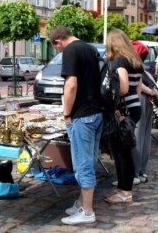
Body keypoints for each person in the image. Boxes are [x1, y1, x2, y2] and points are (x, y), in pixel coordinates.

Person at [49, 25, 103, 225]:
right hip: (96, 113)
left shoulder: (70, 50)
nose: (59, 51)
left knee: (82, 165)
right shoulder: (89, 48)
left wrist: (66, 113)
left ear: (58, 41)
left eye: (57, 48)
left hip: (83, 115)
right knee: (88, 161)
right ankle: (82, 203)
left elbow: (71, 85)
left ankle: (87, 212)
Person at [104, 29, 143, 204]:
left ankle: (125, 192)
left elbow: (124, 88)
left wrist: (109, 95)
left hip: (124, 109)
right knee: (125, 149)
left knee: (122, 152)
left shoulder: (121, 60)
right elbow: (139, 89)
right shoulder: (135, 61)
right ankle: (124, 190)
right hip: (135, 106)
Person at [131, 40, 158, 184]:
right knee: (145, 137)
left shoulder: (135, 67)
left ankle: (135, 174)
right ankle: (142, 171)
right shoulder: (144, 68)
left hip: (139, 100)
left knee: (137, 137)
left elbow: (138, 84)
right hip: (147, 101)